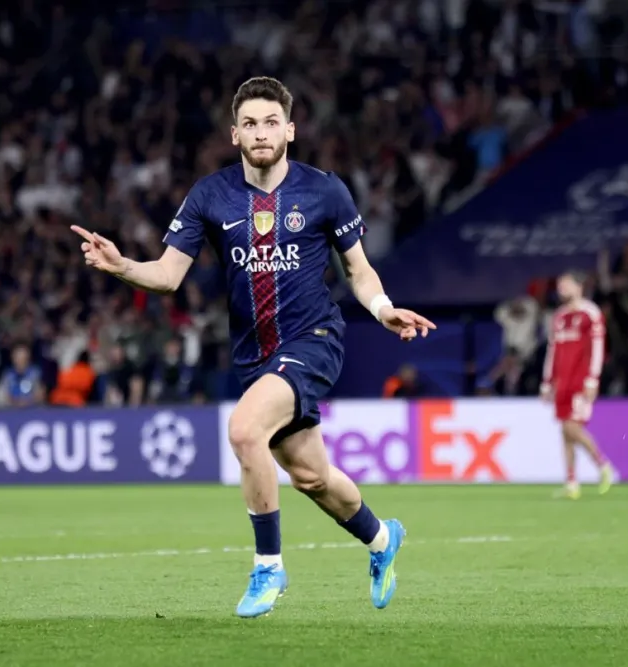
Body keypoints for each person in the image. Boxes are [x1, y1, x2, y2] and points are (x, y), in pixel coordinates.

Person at [72, 77, 435, 618]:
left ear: (289, 130)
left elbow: (357, 270)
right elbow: (169, 276)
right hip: (255, 356)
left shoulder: (325, 191)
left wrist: (383, 310)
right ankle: (383, 538)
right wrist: (123, 266)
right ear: (234, 134)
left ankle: (269, 567)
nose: (261, 132)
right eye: (250, 124)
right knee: (312, 477)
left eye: (271, 122)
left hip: (314, 339)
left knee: (243, 430)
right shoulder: (209, 195)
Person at [540, 271, 615, 499]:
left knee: (571, 427)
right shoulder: (559, 316)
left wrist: (593, 379)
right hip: (562, 381)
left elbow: (598, 348)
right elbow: (552, 351)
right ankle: (571, 483)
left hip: (580, 381)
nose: (561, 287)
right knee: (565, 432)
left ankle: (603, 464)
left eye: (566, 283)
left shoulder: (590, 313)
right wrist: (547, 382)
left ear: (579, 286)